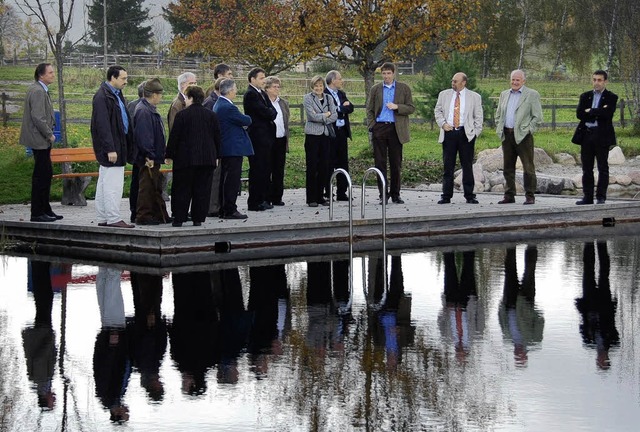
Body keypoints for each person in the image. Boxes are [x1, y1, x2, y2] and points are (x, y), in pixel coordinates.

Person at [166, 85, 221, 227]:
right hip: (207, 158)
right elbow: (217, 137)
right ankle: (198, 218)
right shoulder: (211, 115)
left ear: (190, 98)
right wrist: (217, 155)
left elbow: (174, 137)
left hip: (185, 159)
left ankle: (179, 217)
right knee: (202, 190)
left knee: (182, 189)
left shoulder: (182, 115)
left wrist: (169, 155)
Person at [91, 65, 135, 228]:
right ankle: (114, 218)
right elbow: (102, 125)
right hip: (112, 146)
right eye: (123, 78)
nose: (126, 81)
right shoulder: (103, 97)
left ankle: (103, 216)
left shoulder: (116, 94)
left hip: (119, 142)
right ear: (113, 78)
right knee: (113, 184)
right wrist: (110, 148)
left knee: (104, 182)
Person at [366, 62, 415, 205]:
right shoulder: (376, 89)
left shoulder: (403, 88)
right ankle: (383, 194)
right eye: (384, 73)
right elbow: (369, 109)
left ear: (394, 73)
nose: (386, 76)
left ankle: (395, 194)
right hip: (380, 127)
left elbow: (411, 108)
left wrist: (397, 107)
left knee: (396, 163)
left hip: (396, 129)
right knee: (380, 163)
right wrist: (373, 126)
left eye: (389, 73)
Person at [434, 72, 484, 204]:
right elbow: (437, 111)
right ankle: (446, 195)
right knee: (448, 165)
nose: (453, 83)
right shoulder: (444, 95)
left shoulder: (474, 97)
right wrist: (443, 124)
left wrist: (475, 133)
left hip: (465, 134)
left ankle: (469, 195)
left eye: (456, 81)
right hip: (449, 133)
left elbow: (478, 117)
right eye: (452, 81)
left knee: (467, 165)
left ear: (463, 82)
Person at [495, 69, 543, 205]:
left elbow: (537, 117)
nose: (515, 82)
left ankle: (530, 195)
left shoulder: (532, 95)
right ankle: (509, 194)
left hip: (523, 136)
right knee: (508, 166)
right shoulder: (504, 94)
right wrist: (499, 125)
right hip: (507, 134)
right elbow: (498, 113)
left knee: (528, 167)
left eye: (517, 80)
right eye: (513, 79)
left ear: (523, 81)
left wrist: (528, 130)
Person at [20, 63, 60, 222]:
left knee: (46, 173)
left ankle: (46, 209)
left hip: (40, 139)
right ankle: (37, 213)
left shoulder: (40, 89)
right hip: (39, 139)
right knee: (41, 176)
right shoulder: (37, 91)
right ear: (41, 75)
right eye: (50, 73)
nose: (53, 75)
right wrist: (49, 135)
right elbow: (38, 117)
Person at [575, 70, 618, 205]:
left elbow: (607, 114)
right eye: (594, 79)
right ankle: (587, 197)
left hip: (602, 136)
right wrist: (598, 112)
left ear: (605, 81)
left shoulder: (611, 97)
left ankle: (601, 197)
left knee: (602, 168)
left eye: (599, 80)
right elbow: (579, 114)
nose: (596, 83)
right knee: (586, 168)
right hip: (587, 135)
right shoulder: (585, 96)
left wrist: (591, 111)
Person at [133, 78, 171, 225]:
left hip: (153, 155)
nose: (161, 97)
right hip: (148, 157)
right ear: (154, 94)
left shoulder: (147, 108)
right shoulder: (144, 111)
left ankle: (159, 214)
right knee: (147, 187)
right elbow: (144, 136)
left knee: (154, 185)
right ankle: (143, 216)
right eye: (160, 94)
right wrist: (149, 154)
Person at [214, 79, 253, 219]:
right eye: (235, 89)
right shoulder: (228, 107)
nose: (236, 91)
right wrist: (246, 118)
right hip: (232, 148)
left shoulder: (219, 103)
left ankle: (223, 208)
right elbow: (246, 120)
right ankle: (230, 209)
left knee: (225, 178)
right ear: (230, 90)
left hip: (226, 147)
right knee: (231, 180)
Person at [243, 67, 277, 212]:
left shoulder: (262, 93)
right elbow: (264, 112)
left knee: (265, 168)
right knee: (257, 169)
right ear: (253, 79)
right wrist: (269, 113)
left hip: (266, 137)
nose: (264, 81)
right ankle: (254, 202)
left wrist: (270, 112)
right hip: (257, 136)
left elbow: (272, 110)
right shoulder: (250, 94)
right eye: (261, 78)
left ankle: (263, 198)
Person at [303, 75, 337, 207]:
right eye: (316, 86)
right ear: (312, 87)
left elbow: (334, 115)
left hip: (326, 135)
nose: (319, 88)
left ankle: (320, 196)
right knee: (312, 167)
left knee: (324, 166)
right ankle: (311, 198)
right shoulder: (307, 98)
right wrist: (325, 115)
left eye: (321, 85)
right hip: (312, 136)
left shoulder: (329, 98)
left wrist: (323, 117)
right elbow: (311, 116)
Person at [324, 70, 354, 201]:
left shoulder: (341, 94)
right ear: (332, 80)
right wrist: (340, 108)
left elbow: (350, 107)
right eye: (340, 79)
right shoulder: (324, 94)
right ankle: (328, 191)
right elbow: (329, 111)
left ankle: (342, 191)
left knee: (343, 162)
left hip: (342, 131)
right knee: (329, 162)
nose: (342, 81)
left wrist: (340, 108)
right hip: (330, 131)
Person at [264, 76, 290, 206]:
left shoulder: (283, 103)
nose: (277, 89)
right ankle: (267, 197)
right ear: (267, 88)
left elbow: (286, 120)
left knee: (279, 169)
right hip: (269, 140)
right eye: (274, 86)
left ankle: (277, 197)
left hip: (281, 139)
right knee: (267, 168)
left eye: (278, 86)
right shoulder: (264, 102)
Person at [127, 82, 145, 223]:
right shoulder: (140, 107)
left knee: (136, 181)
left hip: (135, 150)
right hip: (140, 150)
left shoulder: (132, 105)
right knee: (139, 182)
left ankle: (135, 210)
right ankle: (137, 211)